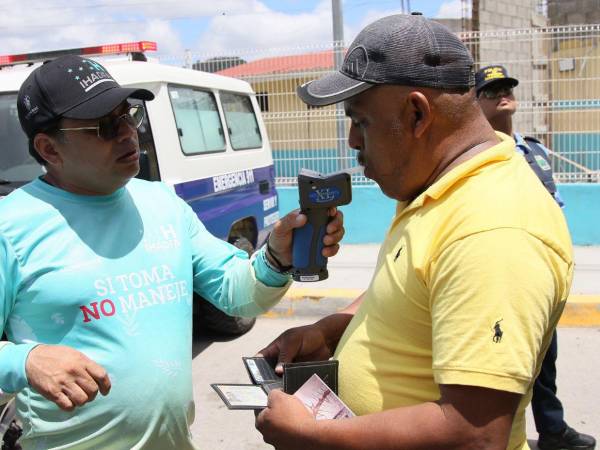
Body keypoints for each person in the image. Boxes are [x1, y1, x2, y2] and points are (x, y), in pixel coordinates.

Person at [254, 13, 573, 450]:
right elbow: (410, 289)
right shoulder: (437, 185)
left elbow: (474, 433)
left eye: (360, 121)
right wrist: (329, 331)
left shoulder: (492, 230)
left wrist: (313, 435)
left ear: (417, 114)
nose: (352, 140)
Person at [0, 55, 344, 450]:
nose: (128, 133)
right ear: (49, 148)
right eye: (105, 126)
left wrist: (277, 257)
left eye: (129, 115)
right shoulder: (11, 226)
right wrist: (25, 361)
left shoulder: (162, 203)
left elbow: (237, 293)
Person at [475, 65, 596, 450]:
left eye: (507, 88)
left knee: (546, 357)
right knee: (505, 360)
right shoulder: (478, 156)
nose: (502, 95)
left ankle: (552, 429)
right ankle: (488, 434)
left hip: (541, 270)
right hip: (505, 271)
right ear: (475, 103)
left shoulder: (534, 150)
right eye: (491, 91)